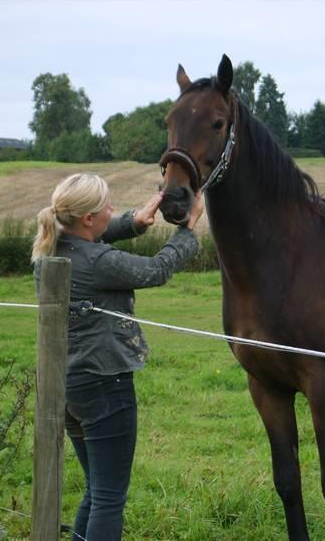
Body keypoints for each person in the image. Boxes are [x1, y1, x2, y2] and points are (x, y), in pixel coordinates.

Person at [31, 172, 203, 540]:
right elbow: (156, 270)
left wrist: (134, 222)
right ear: (88, 218)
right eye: (108, 205)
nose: (114, 209)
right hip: (105, 385)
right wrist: (189, 231)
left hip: (67, 386)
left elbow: (90, 241)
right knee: (110, 498)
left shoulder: (49, 250)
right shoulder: (100, 261)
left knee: (97, 490)